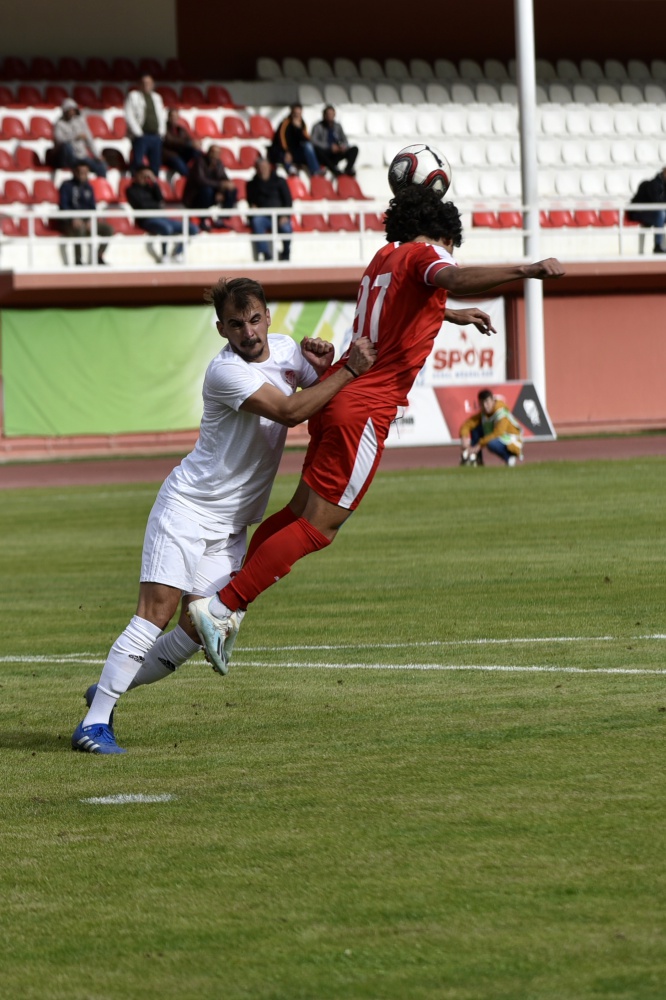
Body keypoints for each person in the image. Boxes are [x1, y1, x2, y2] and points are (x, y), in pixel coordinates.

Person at [187, 185, 565, 674]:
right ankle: (220, 607)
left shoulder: (384, 257)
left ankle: (230, 601)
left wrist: (452, 314)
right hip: (365, 408)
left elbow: (408, 303)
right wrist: (527, 269)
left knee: (300, 510)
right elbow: (450, 273)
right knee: (319, 528)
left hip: (337, 397)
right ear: (442, 235)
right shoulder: (426, 253)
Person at [71, 276, 376, 753]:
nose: (248, 332)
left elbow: (322, 403)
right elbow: (293, 412)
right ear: (221, 329)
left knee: (197, 630)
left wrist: (322, 362)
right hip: (188, 509)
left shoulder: (286, 350)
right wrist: (350, 371)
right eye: (236, 324)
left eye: (254, 319)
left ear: (268, 316)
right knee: (156, 614)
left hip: (232, 525)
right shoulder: (225, 372)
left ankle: (109, 694)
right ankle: (93, 724)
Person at [126, 165, 199, 263]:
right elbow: (141, 205)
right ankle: (164, 255)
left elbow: (160, 200)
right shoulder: (131, 190)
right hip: (147, 220)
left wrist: (154, 181)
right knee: (166, 228)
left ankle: (177, 253)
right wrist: (155, 205)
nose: (144, 177)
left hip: (162, 217)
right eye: (142, 175)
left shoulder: (151, 188)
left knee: (193, 228)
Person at [58, 162, 114, 266]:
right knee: (80, 229)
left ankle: (98, 256)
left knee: (108, 230)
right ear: (74, 172)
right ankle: (78, 260)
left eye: (84, 172)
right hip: (69, 222)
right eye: (79, 172)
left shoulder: (89, 188)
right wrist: (73, 218)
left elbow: (92, 207)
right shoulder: (66, 186)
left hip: (86, 220)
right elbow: (63, 206)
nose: (82, 174)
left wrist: (90, 220)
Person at [459, 389, 523, 466]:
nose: (485, 406)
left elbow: (498, 432)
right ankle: (476, 459)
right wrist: (464, 437)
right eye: (482, 404)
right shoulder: (484, 413)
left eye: (487, 402)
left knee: (491, 443)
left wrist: (479, 444)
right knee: (475, 429)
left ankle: (509, 457)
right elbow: (468, 423)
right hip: (498, 436)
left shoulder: (500, 412)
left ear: (493, 400)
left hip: (511, 439)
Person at [246, 157, 293, 261]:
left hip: (280, 216)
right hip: (264, 217)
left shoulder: (280, 181)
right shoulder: (252, 184)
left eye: (264, 167)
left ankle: (286, 253)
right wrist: (253, 207)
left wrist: (285, 216)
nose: (262, 170)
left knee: (286, 228)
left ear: (269, 167)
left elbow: (288, 200)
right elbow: (251, 201)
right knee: (257, 222)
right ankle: (266, 254)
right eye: (259, 167)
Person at [182, 145, 238, 228]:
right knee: (207, 191)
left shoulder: (218, 163)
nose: (215, 155)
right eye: (213, 152)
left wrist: (222, 190)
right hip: (196, 196)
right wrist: (220, 185)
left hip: (213, 193)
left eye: (218, 153)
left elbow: (224, 178)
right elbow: (201, 181)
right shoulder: (199, 162)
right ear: (208, 153)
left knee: (232, 190)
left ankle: (222, 218)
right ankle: (203, 219)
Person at [124, 74, 167, 177]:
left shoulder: (157, 97)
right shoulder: (133, 96)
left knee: (155, 163)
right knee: (138, 162)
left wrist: (161, 132)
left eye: (148, 83)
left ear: (153, 84)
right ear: (139, 84)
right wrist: (138, 133)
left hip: (155, 136)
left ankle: (153, 185)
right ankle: (136, 183)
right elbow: (129, 115)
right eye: (143, 83)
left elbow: (161, 115)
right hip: (141, 136)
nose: (146, 85)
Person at [52, 98, 107, 177]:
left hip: (81, 156)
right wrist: (75, 137)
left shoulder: (80, 121)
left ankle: (101, 185)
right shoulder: (59, 124)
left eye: (73, 109)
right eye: (69, 110)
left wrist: (97, 155)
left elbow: (89, 140)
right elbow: (59, 140)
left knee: (101, 166)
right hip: (68, 157)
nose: (72, 112)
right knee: (66, 146)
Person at [268, 103, 322, 177]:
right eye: (295, 113)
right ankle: (290, 169)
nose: (296, 115)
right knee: (284, 155)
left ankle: (315, 170)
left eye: (298, 113)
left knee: (308, 146)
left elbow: (306, 139)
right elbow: (281, 139)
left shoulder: (302, 123)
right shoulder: (285, 123)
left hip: (295, 150)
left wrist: (299, 129)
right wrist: (288, 151)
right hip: (283, 150)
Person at [311, 105, 358, 178]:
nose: (330, 116)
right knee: (317, 150)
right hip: (326, 153)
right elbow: (314, 141)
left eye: (331, 114)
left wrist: (342, 147)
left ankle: (347, 169)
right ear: (324, 115)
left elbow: (344, 139)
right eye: (328, 114)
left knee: (354, 149)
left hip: (337, 152)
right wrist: (329, 147)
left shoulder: (337, 126)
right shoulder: (318, 126)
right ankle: (334, 170)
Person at [628, 167, 666, 253]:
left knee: (661, 214)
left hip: (653, 213)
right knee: (661, 214)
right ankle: (657, 246)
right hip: (639, 213)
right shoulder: (653, 185)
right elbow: (657, 203)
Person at [162, 110, 200, 179]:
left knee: (197, 152)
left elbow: (189, 140)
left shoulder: (181, 129)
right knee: (183, 168)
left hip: (181, 154)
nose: (174, 118)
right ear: (168, 117)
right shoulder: (163, 128)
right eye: (172, 116)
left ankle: (201, 173)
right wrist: (190, 143)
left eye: (176, 117)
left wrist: (195, 143)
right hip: (170, 155)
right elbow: (170, 141)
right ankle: (192, 179)